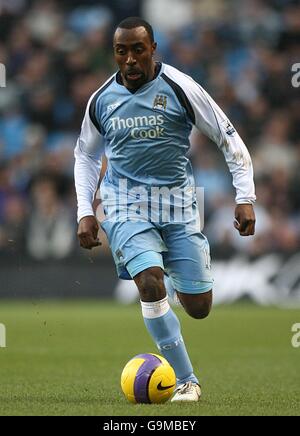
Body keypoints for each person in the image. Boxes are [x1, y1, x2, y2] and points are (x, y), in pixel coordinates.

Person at [74, 17, 256, 402]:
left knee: (199, 307)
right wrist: (84, 211)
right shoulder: (101, 99)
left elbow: (228, 139)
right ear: (114, 53)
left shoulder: (180, 87)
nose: (129, 59)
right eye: (121, 51)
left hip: (178, 205)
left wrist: (245, 197)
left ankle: (172, 280)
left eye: (138, 49)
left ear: (153, 48)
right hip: (124, 204)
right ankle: (187, 379)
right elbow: (85, 157)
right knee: (150, 281)